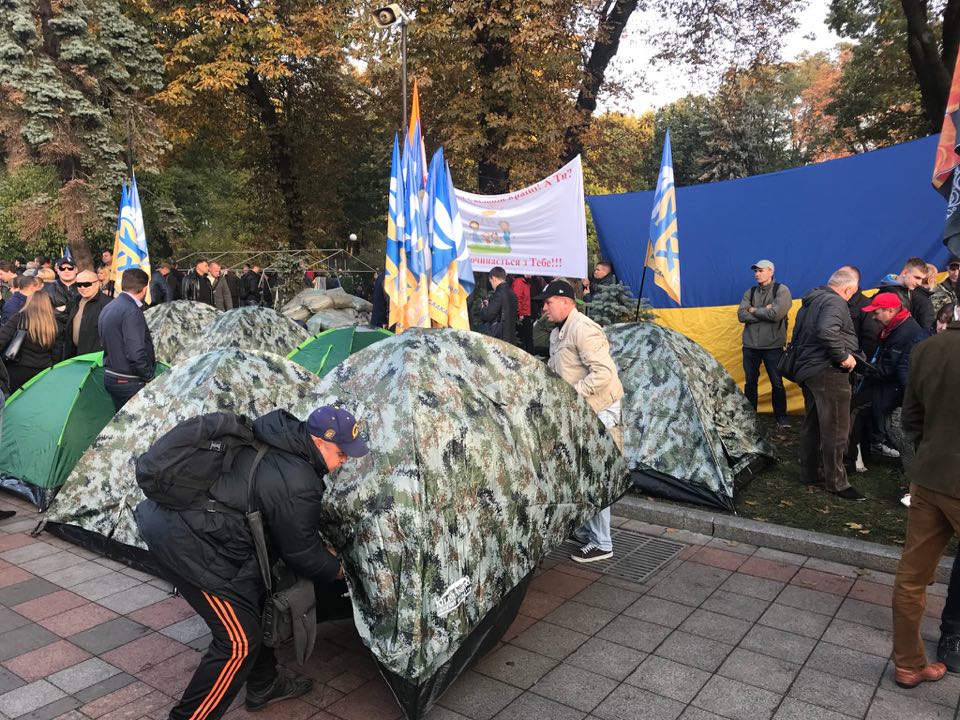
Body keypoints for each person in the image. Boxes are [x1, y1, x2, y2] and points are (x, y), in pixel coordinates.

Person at [135, 405, 369, 718]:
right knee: (238, 643)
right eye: (341, 453)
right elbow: (301, 554)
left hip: (191, 525)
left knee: (256, 606)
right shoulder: (299, 479)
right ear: (319, 441)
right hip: (189, 544)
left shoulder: (281, 436)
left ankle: (264, 684)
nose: (344, 461)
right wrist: (339, 570)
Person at [890, 303, 960, 689]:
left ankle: (908, 664)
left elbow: (911, 420)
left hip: (929, 475)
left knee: (912, 577)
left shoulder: (927, 348)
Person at [537, 280, 624, 563]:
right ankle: (588, 532)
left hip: (599, 411)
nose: (544, 308)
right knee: (579, 473)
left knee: (595, 475)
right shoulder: (559, 331)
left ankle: (602, 543)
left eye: (548, 302)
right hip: (581, 413)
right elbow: (559, 369)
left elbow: (603, 374)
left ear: (565, 302)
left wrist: (571, 395)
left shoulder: (583, 329)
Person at [791, 268, 864, 500]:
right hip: (828, 371)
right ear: (848, 289)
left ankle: (809, 472)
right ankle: (837, 483)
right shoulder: (835, 302)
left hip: (809, 369)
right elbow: (826, 331)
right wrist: (844, 356)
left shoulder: (811, 301)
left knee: (812, 423)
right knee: (836, 428)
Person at [859, 293, 929, 473]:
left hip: (897, 393)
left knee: (900, 435)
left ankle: (915, 476)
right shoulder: (896, 327)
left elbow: (889, 369)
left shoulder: (905, 333)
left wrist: (863, 368)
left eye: (876, 312)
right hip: (893, 390)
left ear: (890, 311)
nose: (873, 317)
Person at [736, 259, 792, 426]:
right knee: (750, 383)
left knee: (777, 382)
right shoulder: (750, 292)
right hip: (750, 346)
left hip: (773, 346)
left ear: (771, 271)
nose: (757, 274)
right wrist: (764, 311)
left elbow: (775, 315)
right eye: (755, 271)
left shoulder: (782, 290)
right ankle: (750, 417)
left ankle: (781, 417)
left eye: (761, 270)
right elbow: (741, 315)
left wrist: (753, 310)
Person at [98, 269, 156, 411]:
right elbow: (135, 351)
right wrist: (149, 375)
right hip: (129, 380)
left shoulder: (109, 307)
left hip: (112, 374)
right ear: (145, 289)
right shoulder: (131, 311)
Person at [0, 291, 59, 391]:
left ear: (29, 302)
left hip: (18, 369)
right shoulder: (53, 323)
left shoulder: (18, 318)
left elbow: (2, 339)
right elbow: (57, 351)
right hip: (44, 370)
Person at [874, 257, 936, 330]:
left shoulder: (906, 291)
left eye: (922, 279)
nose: (919, 283)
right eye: (917, 277)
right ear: (904, 273)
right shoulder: (891, 293)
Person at [64, 270, 111, 358]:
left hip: (95, 358)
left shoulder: (107, 304)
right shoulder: (75, 300)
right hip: (74, 355)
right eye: (79, 285)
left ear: (97, 284)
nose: (82, 288)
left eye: (86, 284)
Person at [478, 267, 518, 344]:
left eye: (490, 282)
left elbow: (488, 315)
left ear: (493, 279)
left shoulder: (499, 293)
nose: (491, 285)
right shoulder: (512, 293)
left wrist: (483, 308)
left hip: (500, 337)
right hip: (511, 336)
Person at [512, 274, 533, 352]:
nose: (533, 274)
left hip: (525, 313)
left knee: (527, 336)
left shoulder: (525, 282)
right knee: (524, 336)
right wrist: (520, 313)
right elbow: (517, 299)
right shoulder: (519, 282)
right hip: (522, 315)